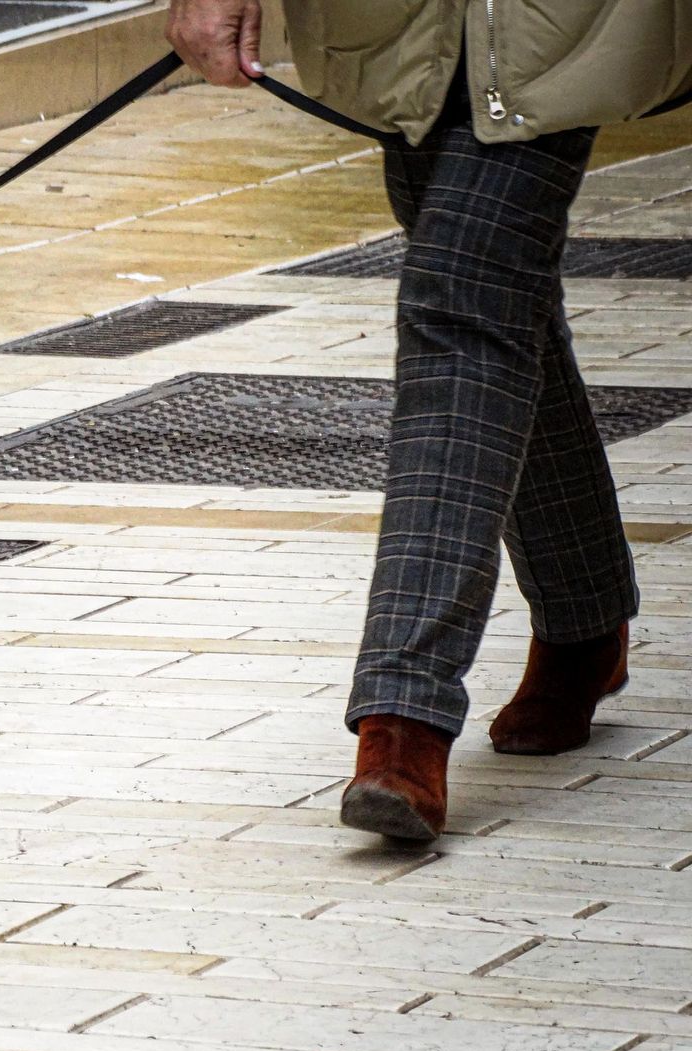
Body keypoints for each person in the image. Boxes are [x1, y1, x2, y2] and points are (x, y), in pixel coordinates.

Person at [165, 0, 692, 840]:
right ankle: (584, 617)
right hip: (395, 20)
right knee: (490, 288)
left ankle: (404, 711)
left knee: (460, 300)